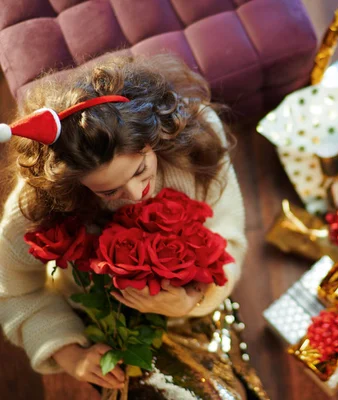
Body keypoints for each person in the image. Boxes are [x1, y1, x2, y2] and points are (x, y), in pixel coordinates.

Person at [0, 55, 268, 399]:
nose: (135, 195)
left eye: (141, 170)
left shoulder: (199, 139)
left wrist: (188, 303)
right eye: (109, 191)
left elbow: (229, 240)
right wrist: (70, 354)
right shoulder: (37, 207)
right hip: (103, 324)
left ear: (155, 138)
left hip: (195, 303)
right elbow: (12, 291)